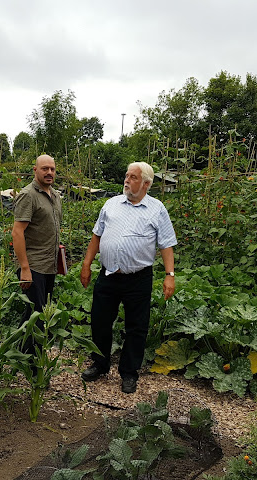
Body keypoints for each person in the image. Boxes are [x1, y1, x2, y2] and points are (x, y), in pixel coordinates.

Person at [80, 161, 177, 394]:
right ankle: (100, 364)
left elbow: (166, 244)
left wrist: (169, 275)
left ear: (146, 184)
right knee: (100, 321)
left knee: (137, 326)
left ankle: (129, 373)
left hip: (138, 278)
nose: (127, 180)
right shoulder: (111, 204)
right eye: (126, 175)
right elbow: (97, 236)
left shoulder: (157, 209)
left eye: (133, 177)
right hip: (108, 275)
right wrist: (86, 264)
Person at [11, 154, 62, 356]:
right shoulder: (28, 195)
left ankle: (18, 352)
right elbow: (17, 232)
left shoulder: (55, 195)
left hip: (49, 264)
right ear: (35, 170)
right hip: (33, 265)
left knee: (34, 312)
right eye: (44, 169)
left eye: (52, 169)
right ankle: (33, 363)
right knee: (38, 315)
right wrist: (25, 268)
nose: (49, 172)